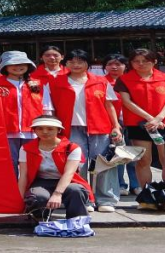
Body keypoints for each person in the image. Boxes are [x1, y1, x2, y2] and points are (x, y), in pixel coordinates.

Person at [42, 49, 123, 212]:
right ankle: (84, 198)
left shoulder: (100, 81)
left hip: (100, 127)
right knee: (77, 164)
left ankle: (106, 199)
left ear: (88, 63)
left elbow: (109, 105)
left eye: (80, 61)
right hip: (70, 128)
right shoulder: (55, 82)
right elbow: (50, 108)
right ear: (66, 64)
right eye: (71, 61)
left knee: (103, 163)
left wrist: (116, 126)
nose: (76, 65)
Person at [115, 48, 165, 187]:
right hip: (138, 123)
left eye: (145, 61)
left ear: (154, 61)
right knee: (143, 160)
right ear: (131, 63)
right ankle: (146, 193)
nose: (141, 64)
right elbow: (127, 102)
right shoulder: (124, 79)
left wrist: (159, 118)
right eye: (136, 61)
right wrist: (151, 119)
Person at [18, 115, 94, 221]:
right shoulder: (26, 148)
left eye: (50, 129)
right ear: (34, 130)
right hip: (41, 182)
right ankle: (40, 221)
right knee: (38, 196)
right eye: (40, 128)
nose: (45, 132)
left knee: (76, 190)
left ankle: (77, 221)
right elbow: (23, 176)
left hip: (67, 181)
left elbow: (69, 173)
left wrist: (57, 194)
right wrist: (19, 201)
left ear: (59, 130)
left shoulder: (72, 148)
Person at [0, 50, 43, 176]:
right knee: (9, 162)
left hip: (32, 131)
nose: (18, 67)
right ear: (5, 67)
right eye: (13, 64)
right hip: (6, 131)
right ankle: (12, 187)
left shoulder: (37, 84)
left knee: (31, 161)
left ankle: (31, 187)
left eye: (22, 64)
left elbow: (46, 108)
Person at [102, 53, 139, 195]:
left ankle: (136, 184)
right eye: (110, 64)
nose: (114, 67)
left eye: (118, 64)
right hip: (112, 123)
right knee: (117, 153)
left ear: (125, 66)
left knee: (133, 153)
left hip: (134, 121)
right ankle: (120, 184)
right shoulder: (101, 82)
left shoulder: (133, 80)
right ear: (105, 67)